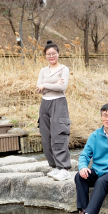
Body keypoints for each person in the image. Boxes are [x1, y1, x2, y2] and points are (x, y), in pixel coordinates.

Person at [36, 40, 72, 181]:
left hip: (59, 103)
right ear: (45, 55)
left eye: (54, 53)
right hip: (45, 104)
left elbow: (62, 88)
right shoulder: (43, 71)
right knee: (46, 137)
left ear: (58, 54)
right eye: (48, 54)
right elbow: (39, 89)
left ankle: (64, 168)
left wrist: (45, 84)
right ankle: (55, 167)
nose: (51, 56)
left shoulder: (64, 69)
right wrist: (53, 84)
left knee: (59, 135)